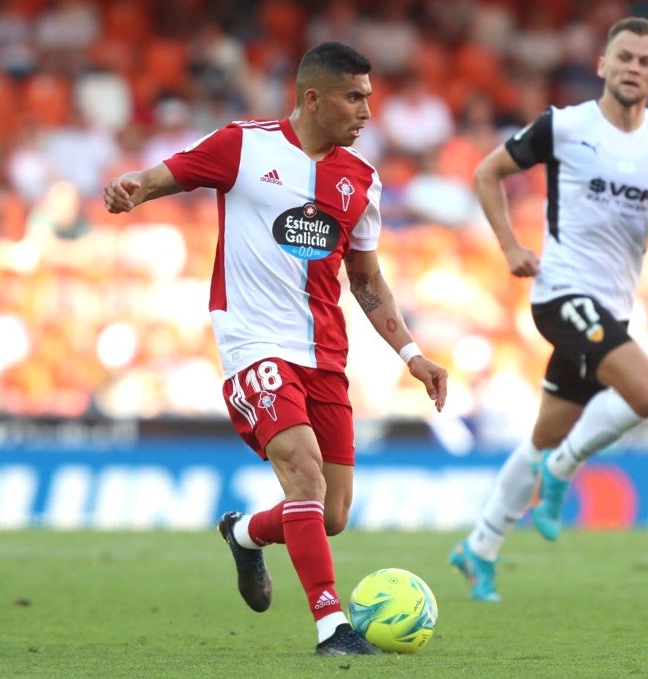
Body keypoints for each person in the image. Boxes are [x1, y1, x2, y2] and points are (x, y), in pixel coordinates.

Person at [103, 41, 448, 655]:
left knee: (330, 513)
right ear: (312, 98)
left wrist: (411, 354)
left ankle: (244, 534)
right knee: (304, 472)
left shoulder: (360, 182)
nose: (368, 110)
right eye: (354, 97)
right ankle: (332, 628)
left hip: (324, 356)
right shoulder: (244, 144)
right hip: (252, 341)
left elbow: (365, 280)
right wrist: (135, 186)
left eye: (370, 96)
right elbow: (170, 172)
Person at [450, 16, 648, 603]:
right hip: (562, 295)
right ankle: (562, 469)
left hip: (610, 309)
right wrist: (511, 246)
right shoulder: (566, 127)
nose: (635, 69)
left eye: (645, 61)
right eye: (627, 58)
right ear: (602, 66)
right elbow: (489, 173)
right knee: (644, 393)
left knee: (540, 436)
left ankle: (479, 547)